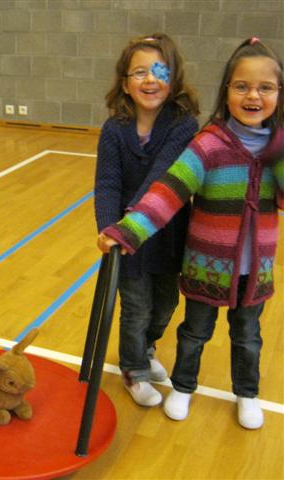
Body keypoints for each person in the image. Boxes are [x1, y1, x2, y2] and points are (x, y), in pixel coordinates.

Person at [98, 37, 283, 429]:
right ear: (226, 91)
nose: (253, 95)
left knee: (248, 337)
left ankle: (247, 393)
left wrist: (280, 149)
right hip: (205, 265)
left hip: (255, 271)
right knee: (193, 332)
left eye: (266, 87)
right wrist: (128, 230)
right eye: (242, 86)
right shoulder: (208, 144)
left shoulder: (277, 150)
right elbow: (168, 191)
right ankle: (182, 386)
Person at [94, 33, 199, 407]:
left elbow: (163, 176)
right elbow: (107, 183)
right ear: (125, 83)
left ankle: (148, 347)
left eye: (159, 71)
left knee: (166, 303)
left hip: (167, 234)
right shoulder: (113, 130)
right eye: (139, 72)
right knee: (136, 307)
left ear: (174, 78)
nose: (150, 79)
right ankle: (134, 369)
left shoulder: (184, 125)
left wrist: (132, 222)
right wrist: (110, 228)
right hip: (128, 240)